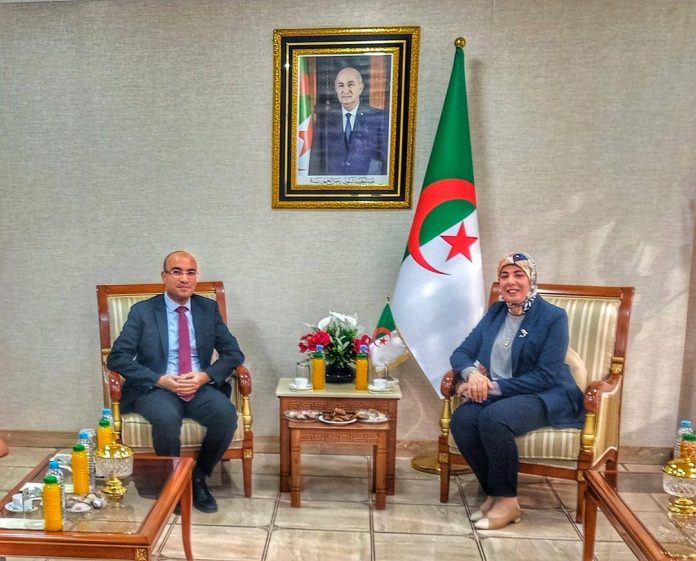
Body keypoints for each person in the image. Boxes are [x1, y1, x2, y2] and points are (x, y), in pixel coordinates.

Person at [449, 251, 585, 530]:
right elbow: (461, 353)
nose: (510, 281)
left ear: (531, 279)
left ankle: (508, 502)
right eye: (504, 276)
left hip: (546, 394)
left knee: (494, 418)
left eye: (518, 274)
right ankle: (494, 493)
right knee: (462, 420)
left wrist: (490, 388)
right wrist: (473, 374)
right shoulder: (496, 312)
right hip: (502, 393)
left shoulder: (553, 317)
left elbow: (546, 375)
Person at [107, 250, 245, 513]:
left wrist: (205, 376)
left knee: (226, 415)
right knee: (167, 419)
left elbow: (233, 353)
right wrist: (159, 379)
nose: (184, 279)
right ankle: (173, 483)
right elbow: (117, 358)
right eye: (177, 272)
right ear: (164, 277)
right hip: (157, 387)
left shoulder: (207, 309)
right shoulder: (143, 311)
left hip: (198, 385)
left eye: (190, 273)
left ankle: (198, 478)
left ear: (196, 277)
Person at [308, 66, 388, 176]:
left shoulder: (378, 118)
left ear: (360, 88)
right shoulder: (324, 119)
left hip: (366, 184)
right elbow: (315, 161)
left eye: (350, 85)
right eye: (341, 85)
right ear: (336, 89)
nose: (345, 90)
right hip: (332, 184)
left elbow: (386, 161)